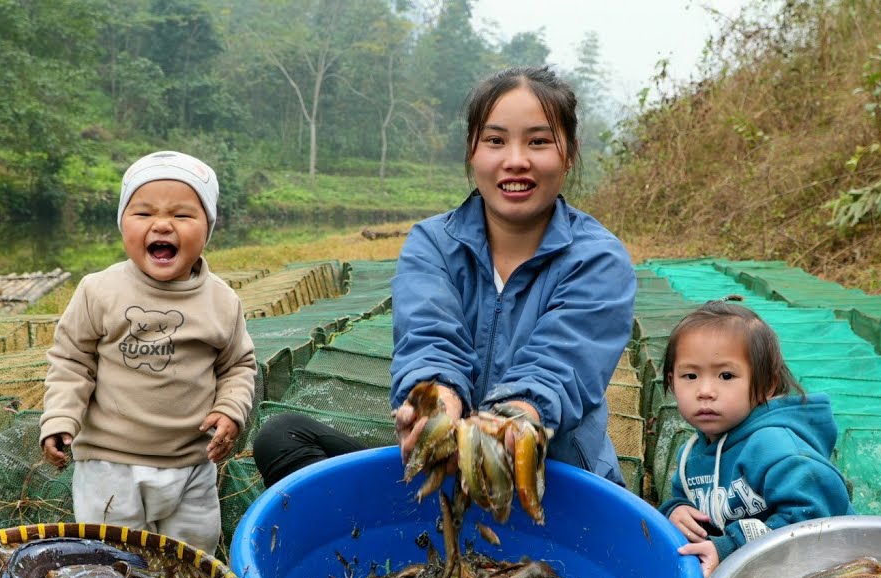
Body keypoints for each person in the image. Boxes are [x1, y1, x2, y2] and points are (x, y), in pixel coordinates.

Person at [253, 65, 636, 487]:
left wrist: (511, 422)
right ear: (472, 149)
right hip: (450, 466)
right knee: (280, 436)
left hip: (556, 479)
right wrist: (434, 402)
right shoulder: (433, 243)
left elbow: (561, 366)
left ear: (569, 153)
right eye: (495, 140)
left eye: (538, 141)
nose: (515, 161)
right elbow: (429, 338)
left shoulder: (598, 258)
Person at [40, 150, 257, 554]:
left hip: (192, 463)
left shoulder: (222, 301)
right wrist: (60, 417)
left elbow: (238, 367)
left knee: (191, 557)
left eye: (182, 215)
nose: (162, 224)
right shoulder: (98, 291)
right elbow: (72, 362)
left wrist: (230, 410)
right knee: (112, 560)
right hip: (109, 463)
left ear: (208, 228)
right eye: (143, 213)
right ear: (122, 223)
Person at [658, 299, 854, 578]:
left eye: (726, 375)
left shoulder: (778, 449)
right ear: (671, 381)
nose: (705, 390)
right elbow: (684, 497)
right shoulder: (691, 454)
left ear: (766, 385)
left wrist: (729, 548)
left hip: (827, 572)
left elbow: (817, 522)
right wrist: (677, 510)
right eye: (690, 375)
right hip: (759, 573)